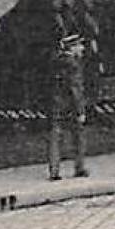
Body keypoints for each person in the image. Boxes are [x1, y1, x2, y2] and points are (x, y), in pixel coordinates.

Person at [47, 24, 90, 181]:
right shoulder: (73, 64)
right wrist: (80, 110)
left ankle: (54, 171)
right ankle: (79, 168)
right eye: (79, 45)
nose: (82, 48)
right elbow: (75, 89)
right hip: (71, 106)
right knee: (78, 137)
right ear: (72, 48)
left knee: (55, 138)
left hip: (56, 104)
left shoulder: (56, 61)